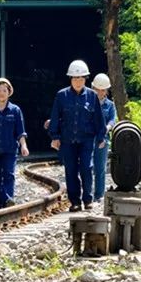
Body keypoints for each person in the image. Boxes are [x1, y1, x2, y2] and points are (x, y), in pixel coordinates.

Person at [48, 59, 106, 212]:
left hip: (86, 139)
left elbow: (98, 119)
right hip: (68, 140)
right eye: (75, 78)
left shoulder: (92, 96)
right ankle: (75, 201)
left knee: (86, 168)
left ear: (85, 79)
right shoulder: (62, 96)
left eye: (81, 78)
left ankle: (87, 199)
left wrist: (101, 137)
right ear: (70, 79)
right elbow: (55, 117)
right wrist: (55, 136)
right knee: (71, 170)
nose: (78, 82)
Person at [0, 77, 29, 210]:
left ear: (9, 92)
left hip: (10, 149)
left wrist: (24, 145)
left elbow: (20, 131)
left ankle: (8, 200)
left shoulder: (15, 110)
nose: (1, 93)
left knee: (9, 174)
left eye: (4, 90)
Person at [90, 72, 117, 202]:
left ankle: (99, 194)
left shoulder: (110, 105)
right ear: (93, 88)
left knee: (100, 168)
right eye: (97, 89)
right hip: (88, 139)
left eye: (103, 90)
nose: (100, 92)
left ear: (106, 90)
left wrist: (108, 127)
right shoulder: (88, 102)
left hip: (103, 140)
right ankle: (87, 193)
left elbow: (112, 119)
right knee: (87, 166)